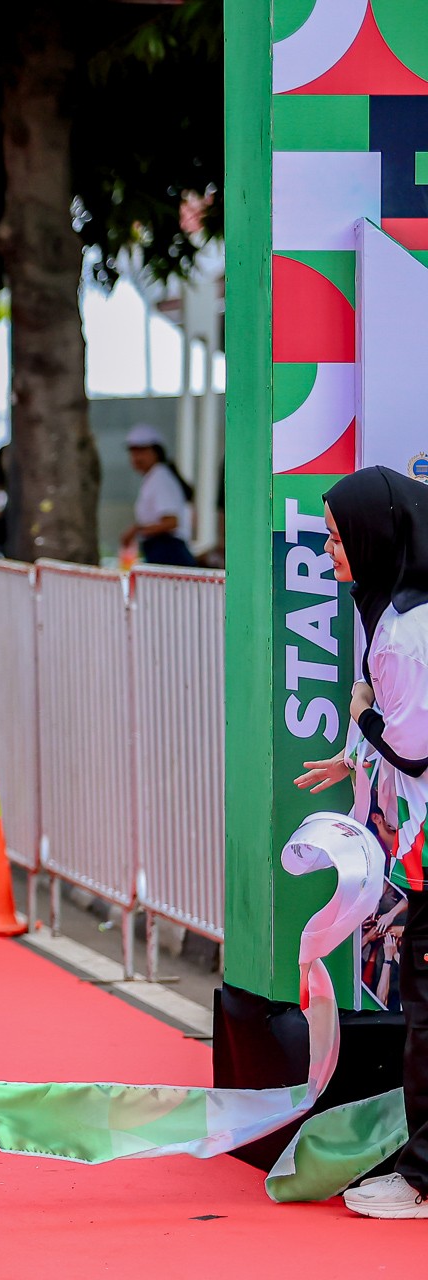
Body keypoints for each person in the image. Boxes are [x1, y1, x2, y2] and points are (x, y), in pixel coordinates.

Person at [294, 466, 428, 1219]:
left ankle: (423, 1178)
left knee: (425, 1011)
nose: (328, 551)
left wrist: (363, 719)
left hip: (426, 847)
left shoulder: (404, 632)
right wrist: (355, 751)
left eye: (338, 538)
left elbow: (411, 748)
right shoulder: (399, 614)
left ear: (376, 537)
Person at [120, 424, 196, 567]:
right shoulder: (152, 478)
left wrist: (137, 530)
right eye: (133, 452)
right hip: (160, 551)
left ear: (156, 452)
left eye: (142, 451)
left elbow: (171, 522)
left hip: (169, 552)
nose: (136, 457)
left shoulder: (160, 477)